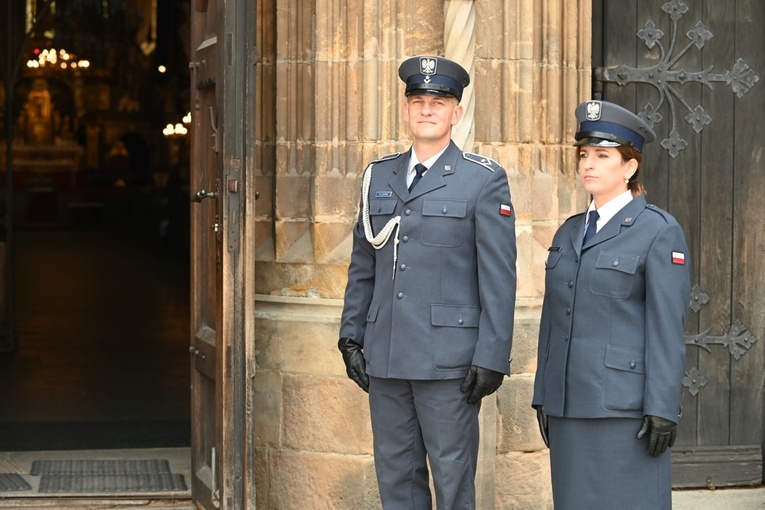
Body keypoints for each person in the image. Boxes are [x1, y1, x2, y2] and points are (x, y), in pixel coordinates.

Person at [338, 55, 517, 509]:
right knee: (396, 478)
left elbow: (499, 277)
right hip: (388, 354)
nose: (426, 109)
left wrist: (492, 355)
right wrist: (350, 335)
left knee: (453, 479)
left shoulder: (482, 179)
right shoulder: (378, 176)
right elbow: (363, 263)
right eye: (417, 100)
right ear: (405, 109)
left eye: (438, 102)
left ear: (456, 113)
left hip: (448, 363)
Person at [532, 100, 691, 510]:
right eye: (585, 154)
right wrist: (543, 394)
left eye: (603, 156)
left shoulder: (656, 231)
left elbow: (666, 328)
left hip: (624, 408)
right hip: (569, 404)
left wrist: (662, 407)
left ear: (629, 167)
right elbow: (554, 320)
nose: (589, 164)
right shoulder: (569, 232)